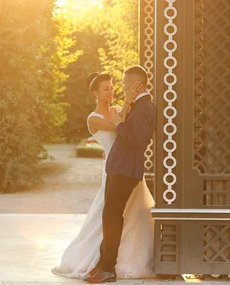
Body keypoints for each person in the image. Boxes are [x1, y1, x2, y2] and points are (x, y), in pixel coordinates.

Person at [52, 67, 155, 282]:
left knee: (124, 216)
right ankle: (102, 263)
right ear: (95, 94)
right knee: (108, 217)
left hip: (123, 167)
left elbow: (128, 132)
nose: (112, 91)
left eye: (113, 88)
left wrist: (125, 108)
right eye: (106, 89)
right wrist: (127, 104)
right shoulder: (95, 118)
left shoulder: (133, 108)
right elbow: (116, 125)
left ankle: (109, 265)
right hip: (114, 167)